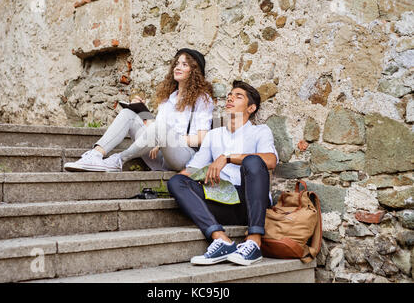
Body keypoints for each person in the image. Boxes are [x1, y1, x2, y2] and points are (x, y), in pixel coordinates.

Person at [167, 80, 279, 266]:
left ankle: (254, 241)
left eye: (238, 96)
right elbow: (193, 169)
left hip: (250, 204)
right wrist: (177, 184)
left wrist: (227, 157)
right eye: (229, 95)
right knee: (176, 182)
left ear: (251, 108)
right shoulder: (214, 135)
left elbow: (270, 160)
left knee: (253, 161)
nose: (230, 98)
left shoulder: (260, 131)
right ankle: (221, 240)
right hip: (222, 202)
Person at [64, 48, 214, 172]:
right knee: (128, 114)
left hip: (183, 156)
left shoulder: (202, 99)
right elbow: (154, 128)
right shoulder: (168, 98)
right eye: (177, 64)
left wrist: (166, 139)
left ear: (194, 71)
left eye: (185, 65)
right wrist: (141, 111)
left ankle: (117, 160)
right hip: (159, 155)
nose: (178, 67)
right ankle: (95, 155)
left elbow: (201, 139)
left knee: (160, 129)